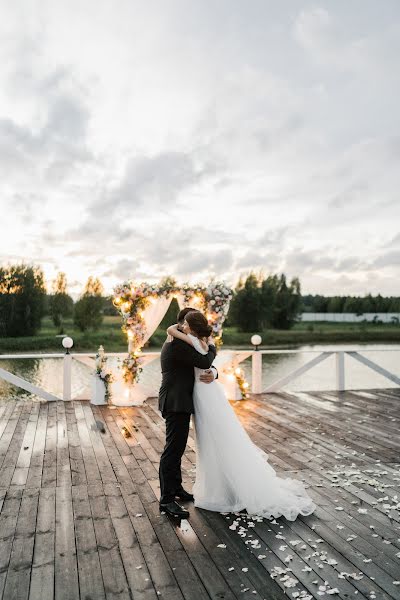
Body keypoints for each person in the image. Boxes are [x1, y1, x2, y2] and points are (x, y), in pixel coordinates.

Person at [167, 310, 316, 521]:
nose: (182, 327)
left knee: (215, 439)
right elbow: (206, 356)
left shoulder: (192, 340)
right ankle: (221, 486)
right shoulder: (199, 342)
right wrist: (209, 348)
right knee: (212, 440)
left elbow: (197, 353)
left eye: (185, 324)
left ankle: (223, 490)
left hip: (205, 395)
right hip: (204, 394)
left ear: (190, 327)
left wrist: (181, 333)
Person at [158, 307, 217, 518]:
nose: (188, 329)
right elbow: (203, 361)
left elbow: (206, 367)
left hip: (180, 401)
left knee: (178, 448)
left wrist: (214, 372)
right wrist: (212, 345)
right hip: (175, 402)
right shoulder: (177, 344)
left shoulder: (184, 342)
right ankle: (166, 500)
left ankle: (176, 490)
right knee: (172, 451)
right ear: (184, 325)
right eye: (188, 325)